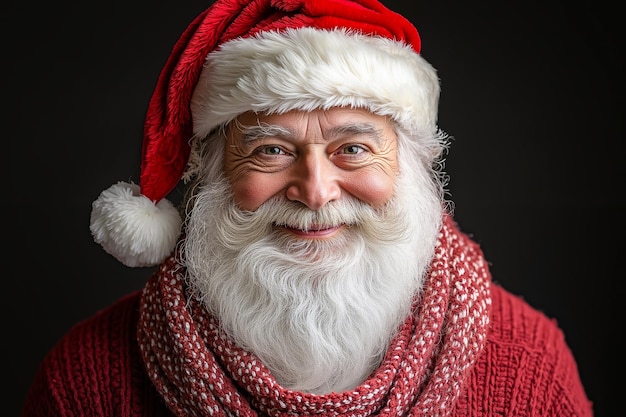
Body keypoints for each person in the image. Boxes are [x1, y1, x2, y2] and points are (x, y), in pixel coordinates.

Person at [20, 0, 594, 415]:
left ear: (412, 165)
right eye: (271, 150)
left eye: (353, 149)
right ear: (214, 172)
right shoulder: (86, 381)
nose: (316, 191)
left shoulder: (529, 362)